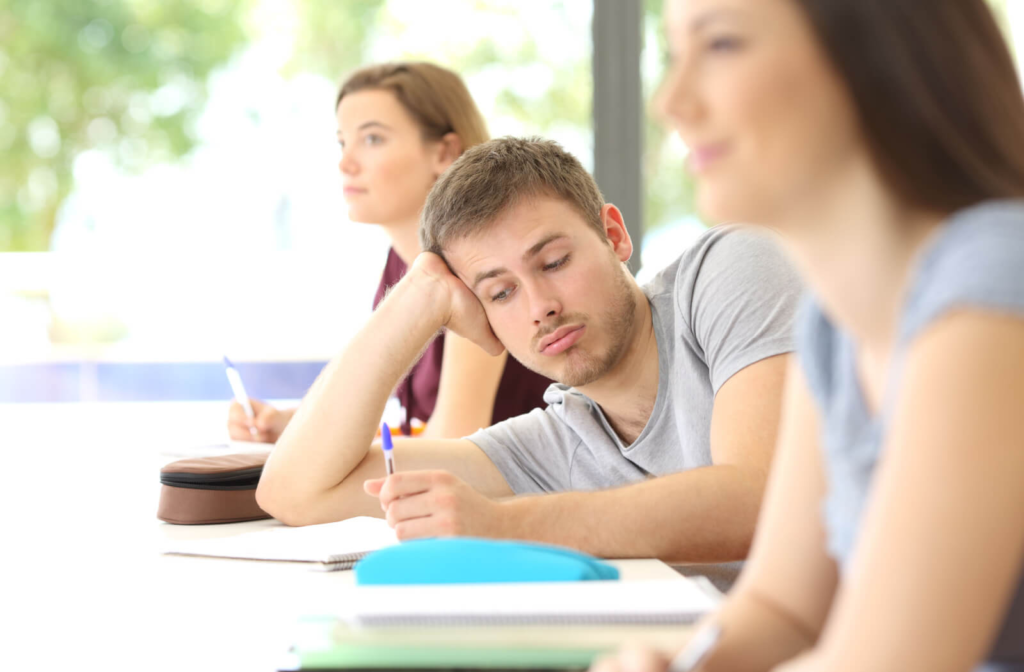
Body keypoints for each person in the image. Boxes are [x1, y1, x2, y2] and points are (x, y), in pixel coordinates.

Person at [594, 0, 1024, 670]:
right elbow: (783, 609)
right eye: (676, 54)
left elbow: (892, 660)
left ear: (876, 54)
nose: (670, 100)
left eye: (722, 45)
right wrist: (679, 663)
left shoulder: (996, 280)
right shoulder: (835, 323)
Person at [255, 136, 804, 567]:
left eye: (554, 262)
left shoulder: (730, 267)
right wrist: (416, 300)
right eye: (500, 292)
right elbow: (296, 492)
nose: (539, 306)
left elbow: (762, 500)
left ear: (613, 234)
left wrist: (503, 523)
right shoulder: (553, 443)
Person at [227, 62, 552, 442]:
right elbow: (410, 423)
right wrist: (292, 425)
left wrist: (314, 448)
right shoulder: (403, 264)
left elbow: (454, 443)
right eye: (342, 142)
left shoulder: (475, 269)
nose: (345, 163)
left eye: (372, 139)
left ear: (445, 152)